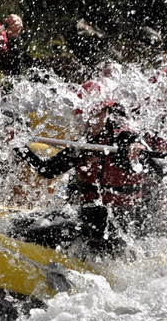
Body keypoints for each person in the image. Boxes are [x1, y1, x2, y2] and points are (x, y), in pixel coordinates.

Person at [10, 90, 153, 254]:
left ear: (107, 113)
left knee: (36, 234)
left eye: (96, 115)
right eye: (85, 116)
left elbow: (148, 155)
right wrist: (18, 145)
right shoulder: (82, 145)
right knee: (20, 223)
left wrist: (138, 149)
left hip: (116, 229)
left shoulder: (123, 138)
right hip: (86, 220)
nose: (90, 122)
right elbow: (46, 170)